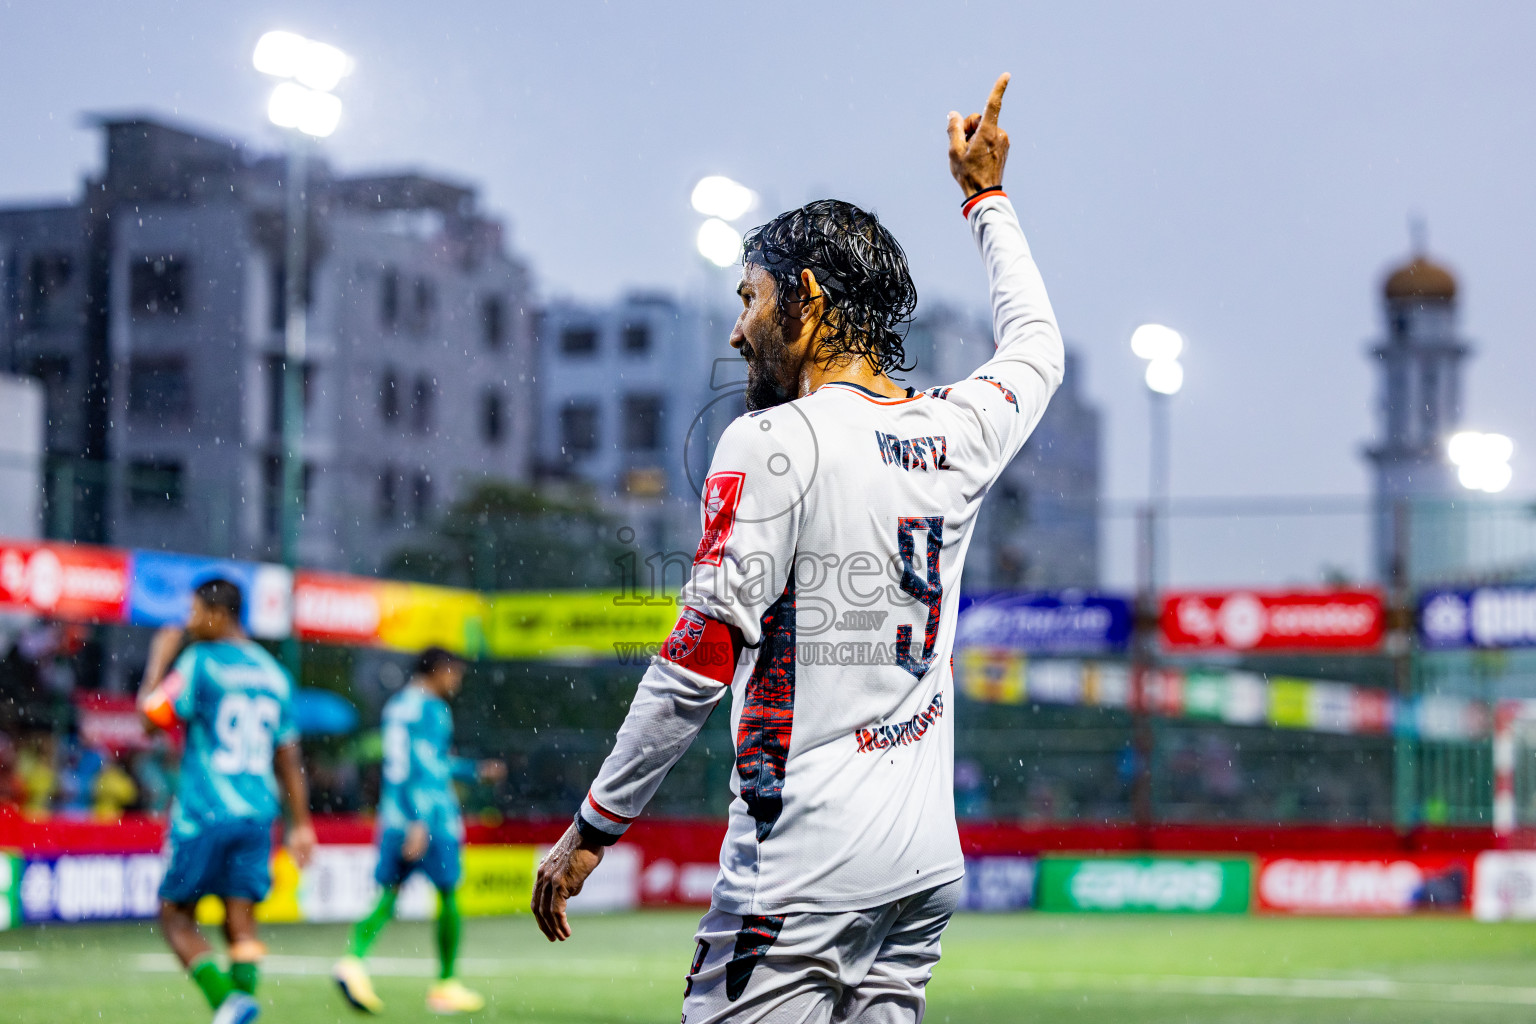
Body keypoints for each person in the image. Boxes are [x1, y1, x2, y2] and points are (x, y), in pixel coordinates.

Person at [532, 73, 1060, 1022]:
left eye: (750, 298)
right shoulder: (962, 428)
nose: (739, 331)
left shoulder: (774, 440)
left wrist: (592, 828)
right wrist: (987, 200)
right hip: (919, 874)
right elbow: (1037, 349)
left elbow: (697, 661)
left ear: (807, 300)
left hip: (802, 872)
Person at [138, 577, 315, 1024]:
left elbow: (151, 719)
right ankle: (242, 1008)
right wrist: (300, 824)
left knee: (176, 916)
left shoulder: (200, 661)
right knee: (241, 922)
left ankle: (227, 1002)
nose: (189, 622)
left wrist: (159, 658)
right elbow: (288, 758)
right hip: (257, 815)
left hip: (205, 812)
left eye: (195, 612)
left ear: (219, 614)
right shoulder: (275, 674)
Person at [333, 646, 506, 1016]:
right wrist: (419, 820)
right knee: (449, 895)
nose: (457, 681)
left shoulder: (399, 706)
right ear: (438, 670)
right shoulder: (431, 709)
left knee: (388, 894)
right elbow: (423, 768)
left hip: (395, 815)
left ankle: (352, 961)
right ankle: (446, 984)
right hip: (429, 819)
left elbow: (414, 764)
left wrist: (473, 771)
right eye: (454, 672)